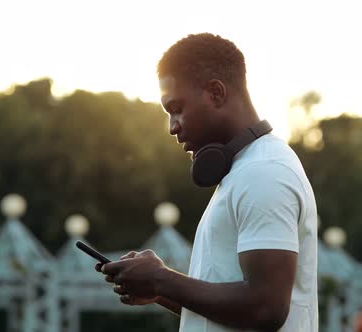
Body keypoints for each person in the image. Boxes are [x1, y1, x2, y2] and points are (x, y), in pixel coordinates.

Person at [96, 33, 318, 332]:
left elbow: (266, 308)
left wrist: (162, 278)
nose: (172, 127)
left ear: (216, 93)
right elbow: (234, 309)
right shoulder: (244, 170)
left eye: (177, 109)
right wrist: (160, 289)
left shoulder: (264, 172)